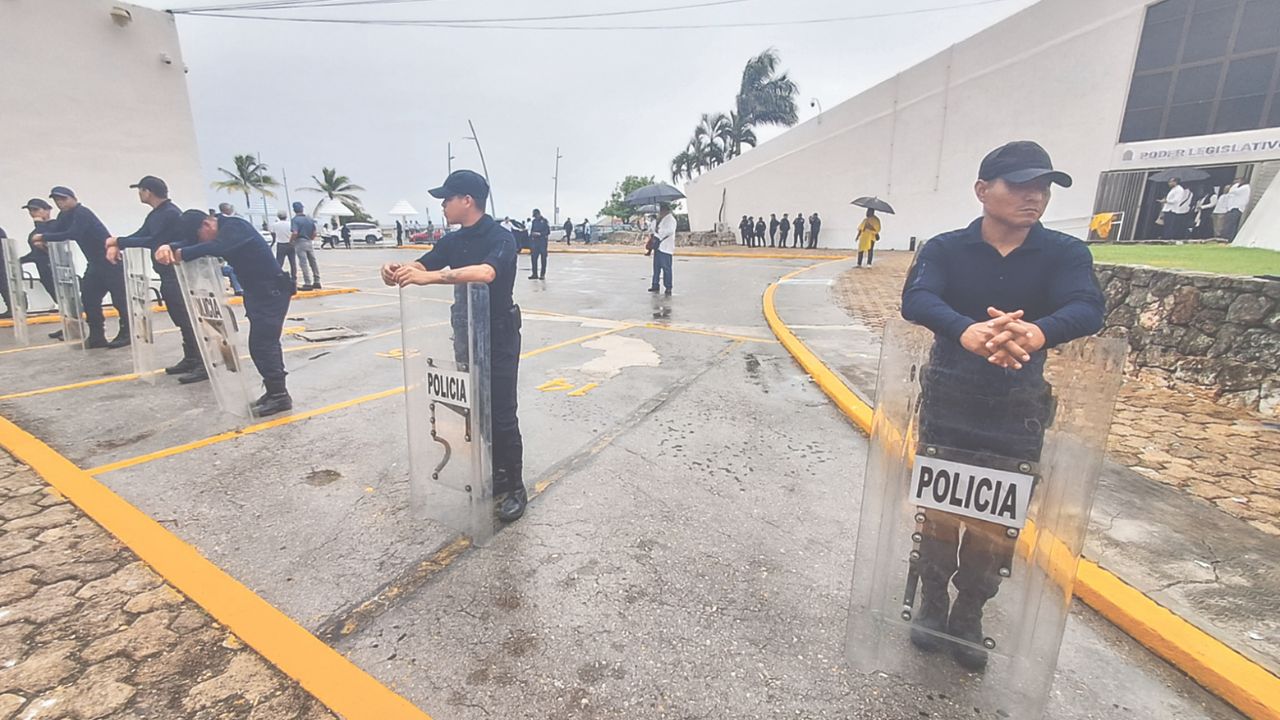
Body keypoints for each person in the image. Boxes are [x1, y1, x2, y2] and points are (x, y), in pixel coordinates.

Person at [901, 140, 1104, 672]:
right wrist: (966, 330)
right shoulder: (945, 248)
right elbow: (917, 299)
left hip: (1018, 406)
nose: (1033, 196)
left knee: (997, 517)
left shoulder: (1064, 252)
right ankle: (932, 602)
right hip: (949, 398)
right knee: (941, 509)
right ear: (983, 190)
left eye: (1043, 187)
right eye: (1019, 185)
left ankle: (970, 613)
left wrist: (1036, 332)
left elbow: (1087, 307)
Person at [378, 169, 527, 522]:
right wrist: (398, 269)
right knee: (477, 411)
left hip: (499, 335)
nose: (443, 205)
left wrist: (428, 278)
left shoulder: (500, 237)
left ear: (467, 200)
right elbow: (424, 262)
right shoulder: (454, 240)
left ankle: (516, 486)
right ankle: (498, 473)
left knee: (502, 413)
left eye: (447, 199)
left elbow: (486, 273)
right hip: (466, 332)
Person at [158, 209, 295, 417]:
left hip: (272, 291)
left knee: (263, 344)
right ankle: (274, 391)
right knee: (261, 345)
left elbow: (216, 247)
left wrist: (182, 253)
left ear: (206, 225)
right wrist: (170, 246)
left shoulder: (235, 227)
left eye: (197, 238)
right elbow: (198, 245)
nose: (198, 243)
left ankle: (280, 396)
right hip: (259, 292)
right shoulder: (223, 230)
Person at [105, 176, 206, 381]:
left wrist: (118, 241)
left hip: (176, 273)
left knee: (188, 319)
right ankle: (192, 357)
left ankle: (203, 362)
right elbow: (142, 234)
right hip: (165, 273)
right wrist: (119, 244)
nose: (140, 195)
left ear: (147, 192)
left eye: (141, 191)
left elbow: (153, 240)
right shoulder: (157, 214)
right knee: (180, 318)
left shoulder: (169, 214)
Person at [31, 187, 128, 348]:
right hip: (95, 263)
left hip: (110, 262)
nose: (60, 203)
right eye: (56, 200)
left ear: (73, 198)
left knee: (120, 300)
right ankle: (97, 336)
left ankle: (127, 333)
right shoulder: (64, 216)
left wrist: (43, 236)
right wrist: (40, 224)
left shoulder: (82, 213)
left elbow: (74, 233)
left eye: (63, 199)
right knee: (89, 299)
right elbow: (53, 231)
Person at [647, 202, 676, 296]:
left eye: (662, 210)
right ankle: (655, 284)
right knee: (656, 267)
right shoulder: (660, 219)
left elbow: (670, 231)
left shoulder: (671, 220)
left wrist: (659, 232)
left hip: (666, 247)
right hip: (658, 247)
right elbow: (652, 229)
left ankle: (668, 287)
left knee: (666, 268)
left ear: (666, 210)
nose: (661, 212)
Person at [290, 202, 320, 290]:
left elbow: (295, 232)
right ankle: (317, 280)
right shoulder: (309, 219)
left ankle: (307, 283)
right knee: (313, 262)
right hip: (309, 241)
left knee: (303, 263)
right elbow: (314, 232)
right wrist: (310, 239)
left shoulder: (295, 220)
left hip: (300, 241)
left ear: (294, 210)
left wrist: (291, 241)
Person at [270, 211, 297, 286]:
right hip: (290, 244)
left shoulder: (275, 225)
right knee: (293, 262)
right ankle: (294, 278)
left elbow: (273, 234)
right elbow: (294, 233)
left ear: (278, 216)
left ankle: (277, 276)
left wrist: (273, 242)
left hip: (281, 244)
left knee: (279, 262)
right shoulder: (290, 224)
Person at [1221, 176, 1251, 241]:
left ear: (1242, 180)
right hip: (1231, 208)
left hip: (1236, 209)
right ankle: (1228, 238)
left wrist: (1234, 185)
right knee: (1229, 224)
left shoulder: (1245, 187)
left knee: (1230, 225)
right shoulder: (1239, 187)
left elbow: (1232, 191)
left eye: (1237, 180)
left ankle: (1227, 238)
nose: (1235, 181)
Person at [529, 209, 550, 279]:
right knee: (534, 259)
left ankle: (542, 274)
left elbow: (548, 231)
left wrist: (540, 234)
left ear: (539, 214)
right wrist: (532, 234)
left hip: (543, 243)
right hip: (535, 243)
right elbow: (532, 230)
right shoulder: (534, 221)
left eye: (536, 215)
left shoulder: (544, 221)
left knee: (543, 259)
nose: (535, 217)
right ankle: (534, 274)